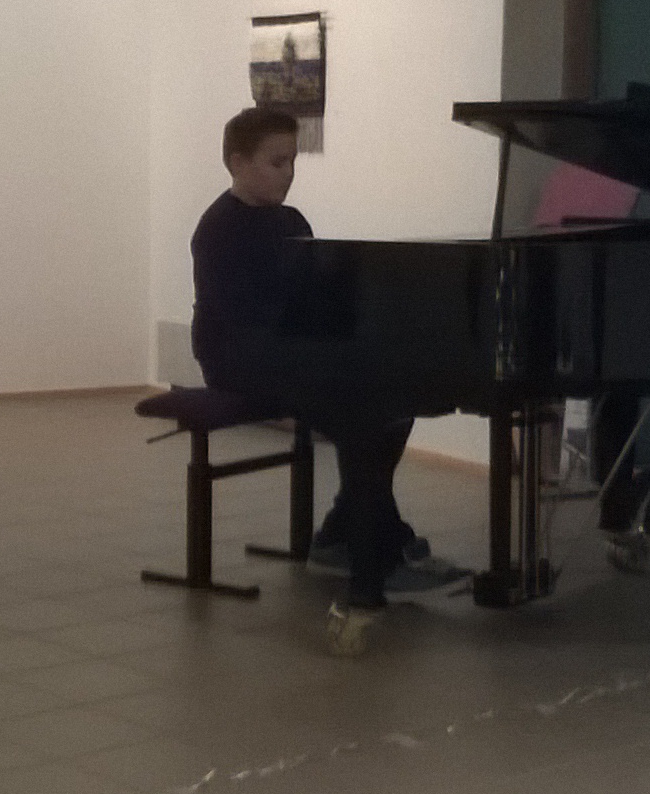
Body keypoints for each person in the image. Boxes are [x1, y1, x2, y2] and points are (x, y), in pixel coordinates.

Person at [192, 106, 455, 656]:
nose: (288, 173)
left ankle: (345, 531)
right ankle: (373, 559)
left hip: (286, 349)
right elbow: (250, 316)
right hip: (239, 357)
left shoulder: (291, 221)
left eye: (292, 161)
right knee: (362, 413)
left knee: (394, 399)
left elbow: (317, 298)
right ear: (237, 163)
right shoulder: (218, 229)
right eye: (276, 162)